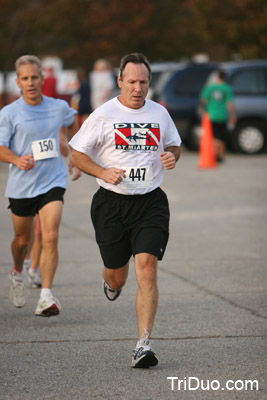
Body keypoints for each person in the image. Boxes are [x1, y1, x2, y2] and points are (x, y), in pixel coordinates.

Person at [69, 53, 181, 368]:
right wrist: (102, 172)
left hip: (150, 202)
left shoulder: (159, 113)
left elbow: (174, 145)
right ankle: (112, 282)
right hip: (111, 204)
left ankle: (143, 345)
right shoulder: (103, 115)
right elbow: (77, 153)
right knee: (118, 275)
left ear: (149, 82)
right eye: (131, 81)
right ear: (119, 81)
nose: (137, 88)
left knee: (146, 268)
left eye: (143, 82)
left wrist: (172, 156)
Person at [0, 55, 81, 317]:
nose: (31, 82)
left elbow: (73, 122)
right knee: (22, 240)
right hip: (22, 185)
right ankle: (18, 271)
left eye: (35, 77)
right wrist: (15, 158)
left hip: (52, 179)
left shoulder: (58, 106)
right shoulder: (9, 113)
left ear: (42, 78)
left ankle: (46, 295)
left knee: (51, 235)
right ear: (18, 82)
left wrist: (74, 154)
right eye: (25, 78)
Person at [200, 69, 236, 162]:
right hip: (223, 115)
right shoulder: (227, 88)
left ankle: (215, 155)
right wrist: (233, 115)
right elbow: (230, 104)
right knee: (222, 137)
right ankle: (220, 155)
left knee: (214, 137)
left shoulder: (210, 87)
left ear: (216, 77)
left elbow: (203, 100)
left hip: (212, 115)